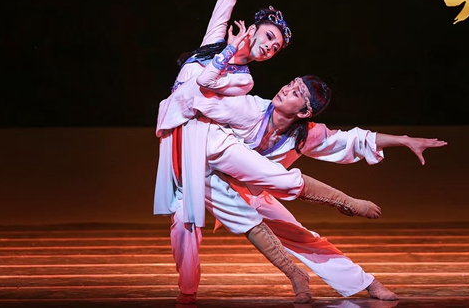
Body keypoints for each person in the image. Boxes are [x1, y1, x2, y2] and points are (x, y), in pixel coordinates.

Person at [159, 69, 446, 303]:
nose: (286, 89)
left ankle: (367, 283)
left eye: (296, 92)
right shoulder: (248, 107)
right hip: (207, 180)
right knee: (183, 225)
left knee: (302, 236)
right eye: (290, 84)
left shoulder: (305, 134)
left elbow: (352, 140)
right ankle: (188, 292)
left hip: (254, 191)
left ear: (305, 112)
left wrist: (403, 140)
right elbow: (200, 100)